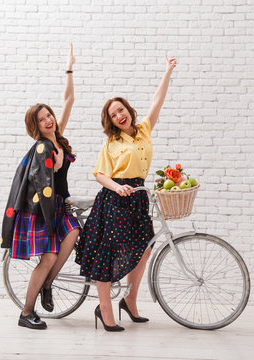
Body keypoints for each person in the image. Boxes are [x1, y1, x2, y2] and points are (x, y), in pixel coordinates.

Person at [75, 55, 177, 331]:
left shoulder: (143, 130)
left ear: (128, 110)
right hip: (116, 200)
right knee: (108, 254)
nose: (119, 115)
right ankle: (105, 309)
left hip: (139, 197)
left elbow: (157, 102)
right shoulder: (112, 143)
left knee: (144, 250)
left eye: (121, 110)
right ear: (110, 121)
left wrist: (167, 71)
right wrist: (117, 186)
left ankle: (130, 300)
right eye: (113, 114)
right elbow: (99, 173)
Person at [1, 44, 80, 330]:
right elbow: (41, 180)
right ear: (36, 126)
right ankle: (26, 312)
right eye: (42, 119)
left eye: (49, 115)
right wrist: (57, 167)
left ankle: (48, 284)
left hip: (59, 206)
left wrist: (69, 68)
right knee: (49, 256)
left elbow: (69, 101)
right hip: (42, 210)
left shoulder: (57, 137)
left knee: (73, 234)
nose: (49, 120)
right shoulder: (42, 146)